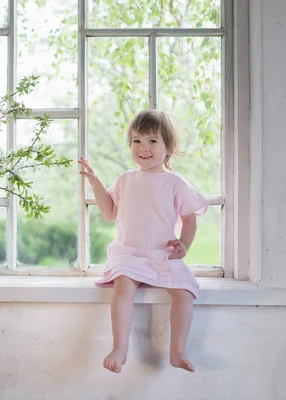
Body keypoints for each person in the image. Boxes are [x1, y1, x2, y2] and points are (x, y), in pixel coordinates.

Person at [78, 110, 207, 374]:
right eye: (137, 141)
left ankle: (177, 350)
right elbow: (110, 212)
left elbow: (190, 218)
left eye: (152, 141)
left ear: (168, 147)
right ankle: (120, 347)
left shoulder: (175, 182)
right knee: (124, 286)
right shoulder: (127, 179)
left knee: (184, 293)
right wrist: (96, 183)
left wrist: (184, 244)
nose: (143, 148)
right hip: (130, 254)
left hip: (163, 255)